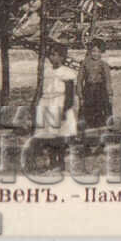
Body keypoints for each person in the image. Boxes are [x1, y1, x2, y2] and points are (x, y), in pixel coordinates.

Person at [34, 41, 77, 169]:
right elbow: (42, 88)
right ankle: (52, 161)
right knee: (49, 134)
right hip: (47, 103)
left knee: (60, 135)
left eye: (55, 55)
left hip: (59, 103)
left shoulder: (66, 72)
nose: (52, 57)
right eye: (51, 55)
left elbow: (70, 94)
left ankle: (61, 161)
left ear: (62, 57)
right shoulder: (47, 70)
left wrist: (65, 110)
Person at [76, 38, 113, 135]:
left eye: (98, 51)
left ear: (102, 52)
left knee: (101, 113)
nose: (95, 54)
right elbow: (80, 79)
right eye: (93, 51)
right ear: (89, 51)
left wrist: (109, 94)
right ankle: (87, 135)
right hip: (88, 91)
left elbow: (108, 81)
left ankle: (101, 135)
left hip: (100, 91)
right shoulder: (84, 63)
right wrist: (80, 94)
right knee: (87, 113)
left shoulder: (103, 64)